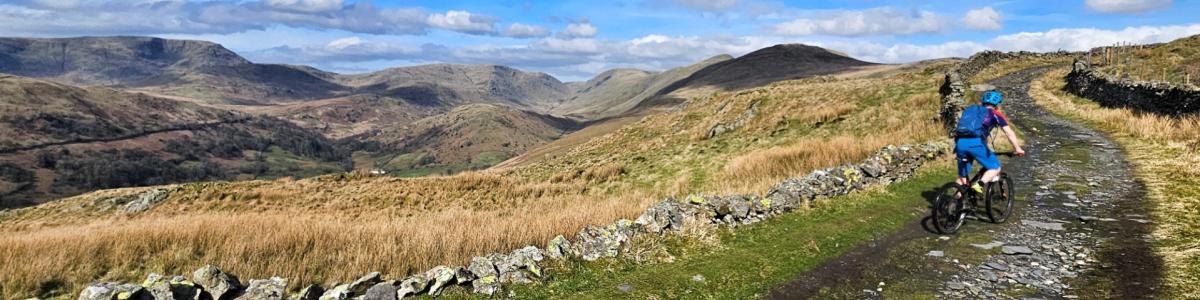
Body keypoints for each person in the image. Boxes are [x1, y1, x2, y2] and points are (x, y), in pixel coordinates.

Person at [954, 90, 1025, 194]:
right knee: (995, 167)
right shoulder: (995, 114)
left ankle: (955, 205)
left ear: (983, 101)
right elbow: (1009, 133)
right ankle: (979, 185)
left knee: (962, 177)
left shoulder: (971, 110)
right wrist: (1018, 148)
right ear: (997, 104)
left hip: (960, 143)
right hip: (976, 144)